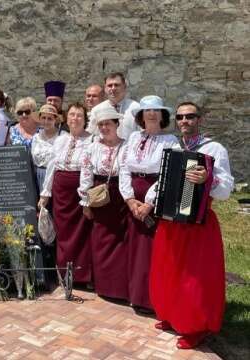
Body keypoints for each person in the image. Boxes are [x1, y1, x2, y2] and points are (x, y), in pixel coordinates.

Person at [149, 102, 234, 349]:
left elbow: (227, 189)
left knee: (195, 278)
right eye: (180, 117)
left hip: (198, 223)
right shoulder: (174, 147)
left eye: (190, 116)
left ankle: (195, 326)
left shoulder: (214, 149)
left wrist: (209, 178)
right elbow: (162, 179)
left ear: (200, 119)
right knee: (169, 271)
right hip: (171, 222)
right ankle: (171, 314)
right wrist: (153, 197)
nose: (185, 120)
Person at [118, 95, 178, 312]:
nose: (151, 114)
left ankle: (151, 299)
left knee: (151, 249)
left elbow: (167, 173)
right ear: (141, 115)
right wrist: (129, 198)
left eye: (156, 110)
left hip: (155, 196)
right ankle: (135, 294)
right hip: (133, 196)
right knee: (134, 248)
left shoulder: (170, 141)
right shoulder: (134, 137)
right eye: (147, 110)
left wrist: (149, 203)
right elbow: (124, 167)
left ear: (163, 115)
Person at [78, 103, 128, 301]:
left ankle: (119, 287)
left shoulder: (125, 147)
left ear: (117, 124)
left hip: (120, 197)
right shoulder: (92, 148)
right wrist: (86, 203)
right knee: (100, 240)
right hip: (99, 194)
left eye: (108, 124)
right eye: (101, 125)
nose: (105, 128)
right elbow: (86, 175)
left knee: (120, 241)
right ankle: (104, 285)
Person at [39, 103, 94, 285]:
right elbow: (52, 166)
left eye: (79, 115)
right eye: (71, 115)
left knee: (81, 233)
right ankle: (63, 273)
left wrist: (85, 197)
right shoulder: (61, 139)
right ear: (66, 118)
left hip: (79, 192)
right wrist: (45, 193)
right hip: (61, 193)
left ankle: (81, 276)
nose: (75, 118)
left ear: (85, 119)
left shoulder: (91, 140)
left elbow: (89, 169)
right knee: (62, 234)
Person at [88, 73, 140, 139]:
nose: (113, 88)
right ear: (105, 88)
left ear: (124, 87)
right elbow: (91, 135)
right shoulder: (96, 110)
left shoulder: (136, 108)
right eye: (110, 85)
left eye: (117, 85)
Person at [31, 104, 63, 195]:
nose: (46, 121)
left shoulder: (62, 136)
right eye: (43, 118)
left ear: (55, 120)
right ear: (40, 119)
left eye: (50, 118)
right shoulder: (36, 137)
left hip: (55, 176)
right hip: (38, 175)